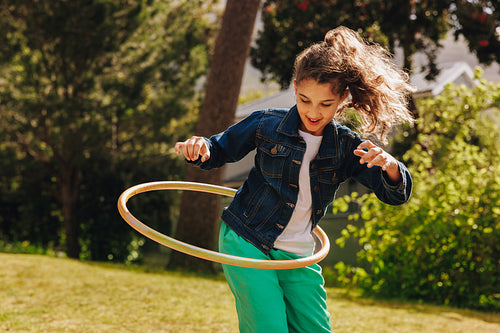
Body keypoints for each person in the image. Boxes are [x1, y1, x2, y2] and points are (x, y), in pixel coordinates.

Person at [175, 26, 414, 333]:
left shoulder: (345, 146)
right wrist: (200, 148)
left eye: (325, 104)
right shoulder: (266, 125)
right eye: (304, 100)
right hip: (248, 238)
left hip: (298, 253)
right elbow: (218, 149)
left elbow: (395, 194)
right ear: (295, 88)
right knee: (269, 326)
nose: (313, 112)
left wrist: (391, 167)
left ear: (342, 99)